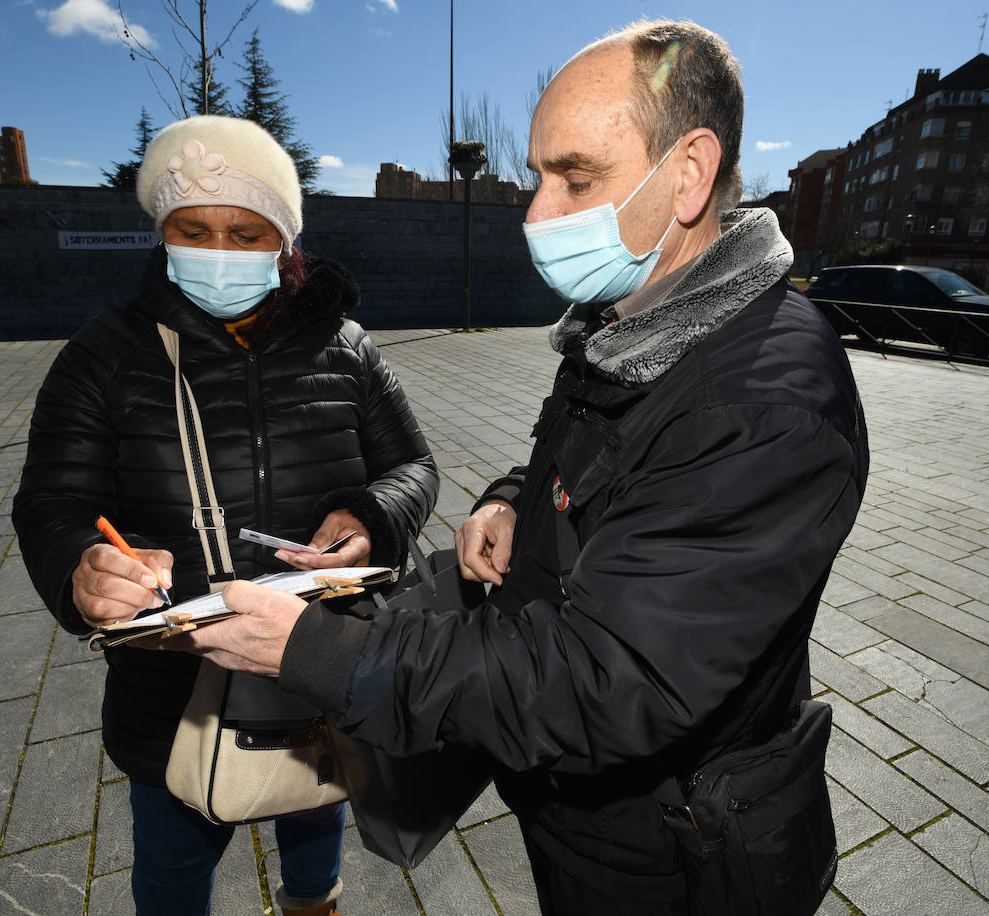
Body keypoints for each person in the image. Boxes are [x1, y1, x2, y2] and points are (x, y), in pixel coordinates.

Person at [173, 19, 868, 914]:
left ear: (690, 173)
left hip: (676, 853)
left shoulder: (762, 403)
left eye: (576, 177)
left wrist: (325, 654)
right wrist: (511, 496)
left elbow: (608, 676)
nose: (538, 213)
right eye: (538, 178)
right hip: (584, 811)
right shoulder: (629, 324)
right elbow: (597, 457)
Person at [11, 115, 439, 916]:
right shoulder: (102, 355)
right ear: (161, 234)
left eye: (245, 232)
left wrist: (372, 514)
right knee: (174, 855)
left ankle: (314, 904)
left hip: (320, 648)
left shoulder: (347, 347)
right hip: (172, 679)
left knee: (316, 805)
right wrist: (80, 567)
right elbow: (53, 502)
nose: (219, 250)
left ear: (283, 239)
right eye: (192, 229)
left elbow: (414, 464)